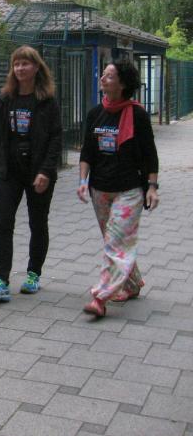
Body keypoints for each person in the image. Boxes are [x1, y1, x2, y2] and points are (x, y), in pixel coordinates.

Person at [0, 45, 62, 302]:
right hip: (9, 171)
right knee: (3, 224)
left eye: (25, 63)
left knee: (38, 223)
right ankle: (1, 280)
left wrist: (46, 171)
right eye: (16, 64)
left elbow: (56, 139)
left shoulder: (47, 102)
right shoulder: (5, 100)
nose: (20, 68)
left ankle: (33, 274)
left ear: (36, 67)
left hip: (38, 173)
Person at [77, 59, 159, 317]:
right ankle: (132, 284)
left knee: (115, 242)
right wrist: (83, 182)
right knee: (115, 240)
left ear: (122, 84)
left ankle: (101, 296)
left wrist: (152, 187)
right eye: (103, 74)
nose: (103, 79)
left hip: (129, 190)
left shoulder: (137, 114)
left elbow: (149, 154)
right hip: (100, 188)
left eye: (109, 76)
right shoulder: (95, 113)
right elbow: (87, 152)